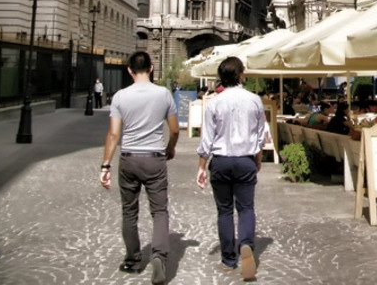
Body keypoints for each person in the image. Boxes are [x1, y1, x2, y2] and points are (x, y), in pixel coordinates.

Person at [99, 51, 179, 285]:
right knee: (159, 211)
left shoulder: (120, 96)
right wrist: (170, 148)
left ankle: (133, 260)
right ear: (152, 68)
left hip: (129, 158)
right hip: (154, 158)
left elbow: (114, 134)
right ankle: (159, 257)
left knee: (129, 211)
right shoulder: (163, 94)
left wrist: (105, 164)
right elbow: (175, 129)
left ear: (129, 71)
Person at [196, 57, 265, 280]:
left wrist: (201, 166)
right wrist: (258, 158)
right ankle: (246, 244)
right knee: (246, 207)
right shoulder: (254, 100)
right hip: (245, 159)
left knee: (224, 210)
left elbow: (206, 139)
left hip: (222, 161)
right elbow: (260, 135)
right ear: (241, 75)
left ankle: (228, 259)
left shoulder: (215, 102)